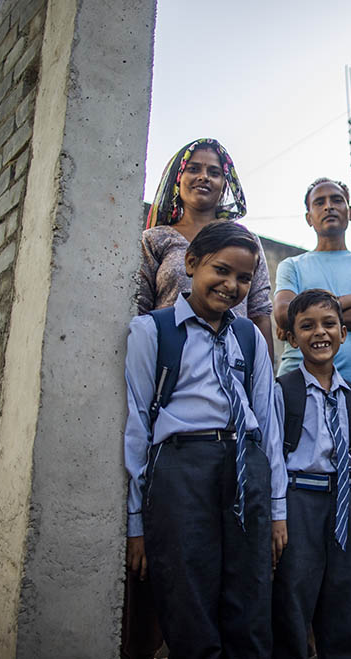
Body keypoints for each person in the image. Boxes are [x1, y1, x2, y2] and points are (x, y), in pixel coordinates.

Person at [125, 139, 274, 658]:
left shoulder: (249, 337)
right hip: (181, 456)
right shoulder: (151, 325)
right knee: (186, 602)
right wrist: (135, 521)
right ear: (190, 264)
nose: (232, 284)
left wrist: (274, 506)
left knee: (250, 605)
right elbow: (138, 425)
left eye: (243, 277)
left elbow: (265, 417)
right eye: (220, 272)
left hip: (243, 457)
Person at [273, 177, 351, 650]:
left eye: (337, 199)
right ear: (308, 216)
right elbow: (283, 314)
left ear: (349, 209)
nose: (329, 207)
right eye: (318, 202)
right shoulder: (293, 264)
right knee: (298, 572)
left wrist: (319, 305)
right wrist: (345, 307)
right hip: (302, 393)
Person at [139, 138, 274, 358]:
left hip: (233, 361)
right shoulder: (155, 240)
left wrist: (265, 377)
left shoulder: (246, 241)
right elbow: (140, 309)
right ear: (178, 177)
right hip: (169, 362)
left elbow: (259, 313)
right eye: (193, 169)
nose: (204, 177)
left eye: (214, 172)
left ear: (224, 184)